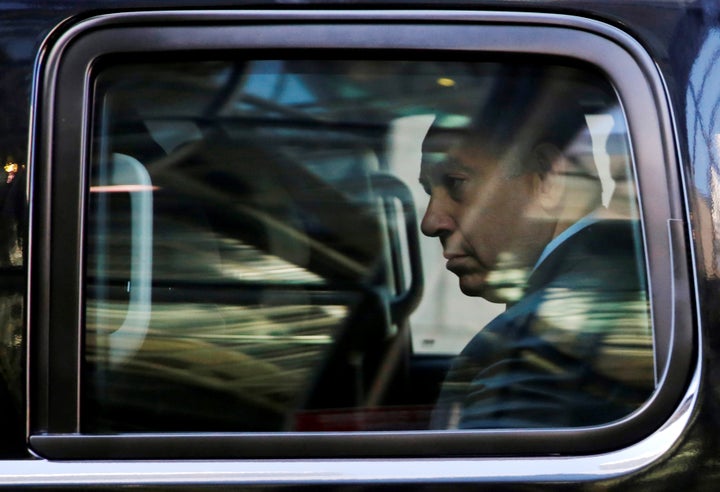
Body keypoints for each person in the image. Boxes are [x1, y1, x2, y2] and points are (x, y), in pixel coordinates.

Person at [420, 80, 655, 429]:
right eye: (428, 192)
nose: (429, 221)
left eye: (455, 183)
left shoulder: (532, 347)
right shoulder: (634, 276)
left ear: (547, 176)